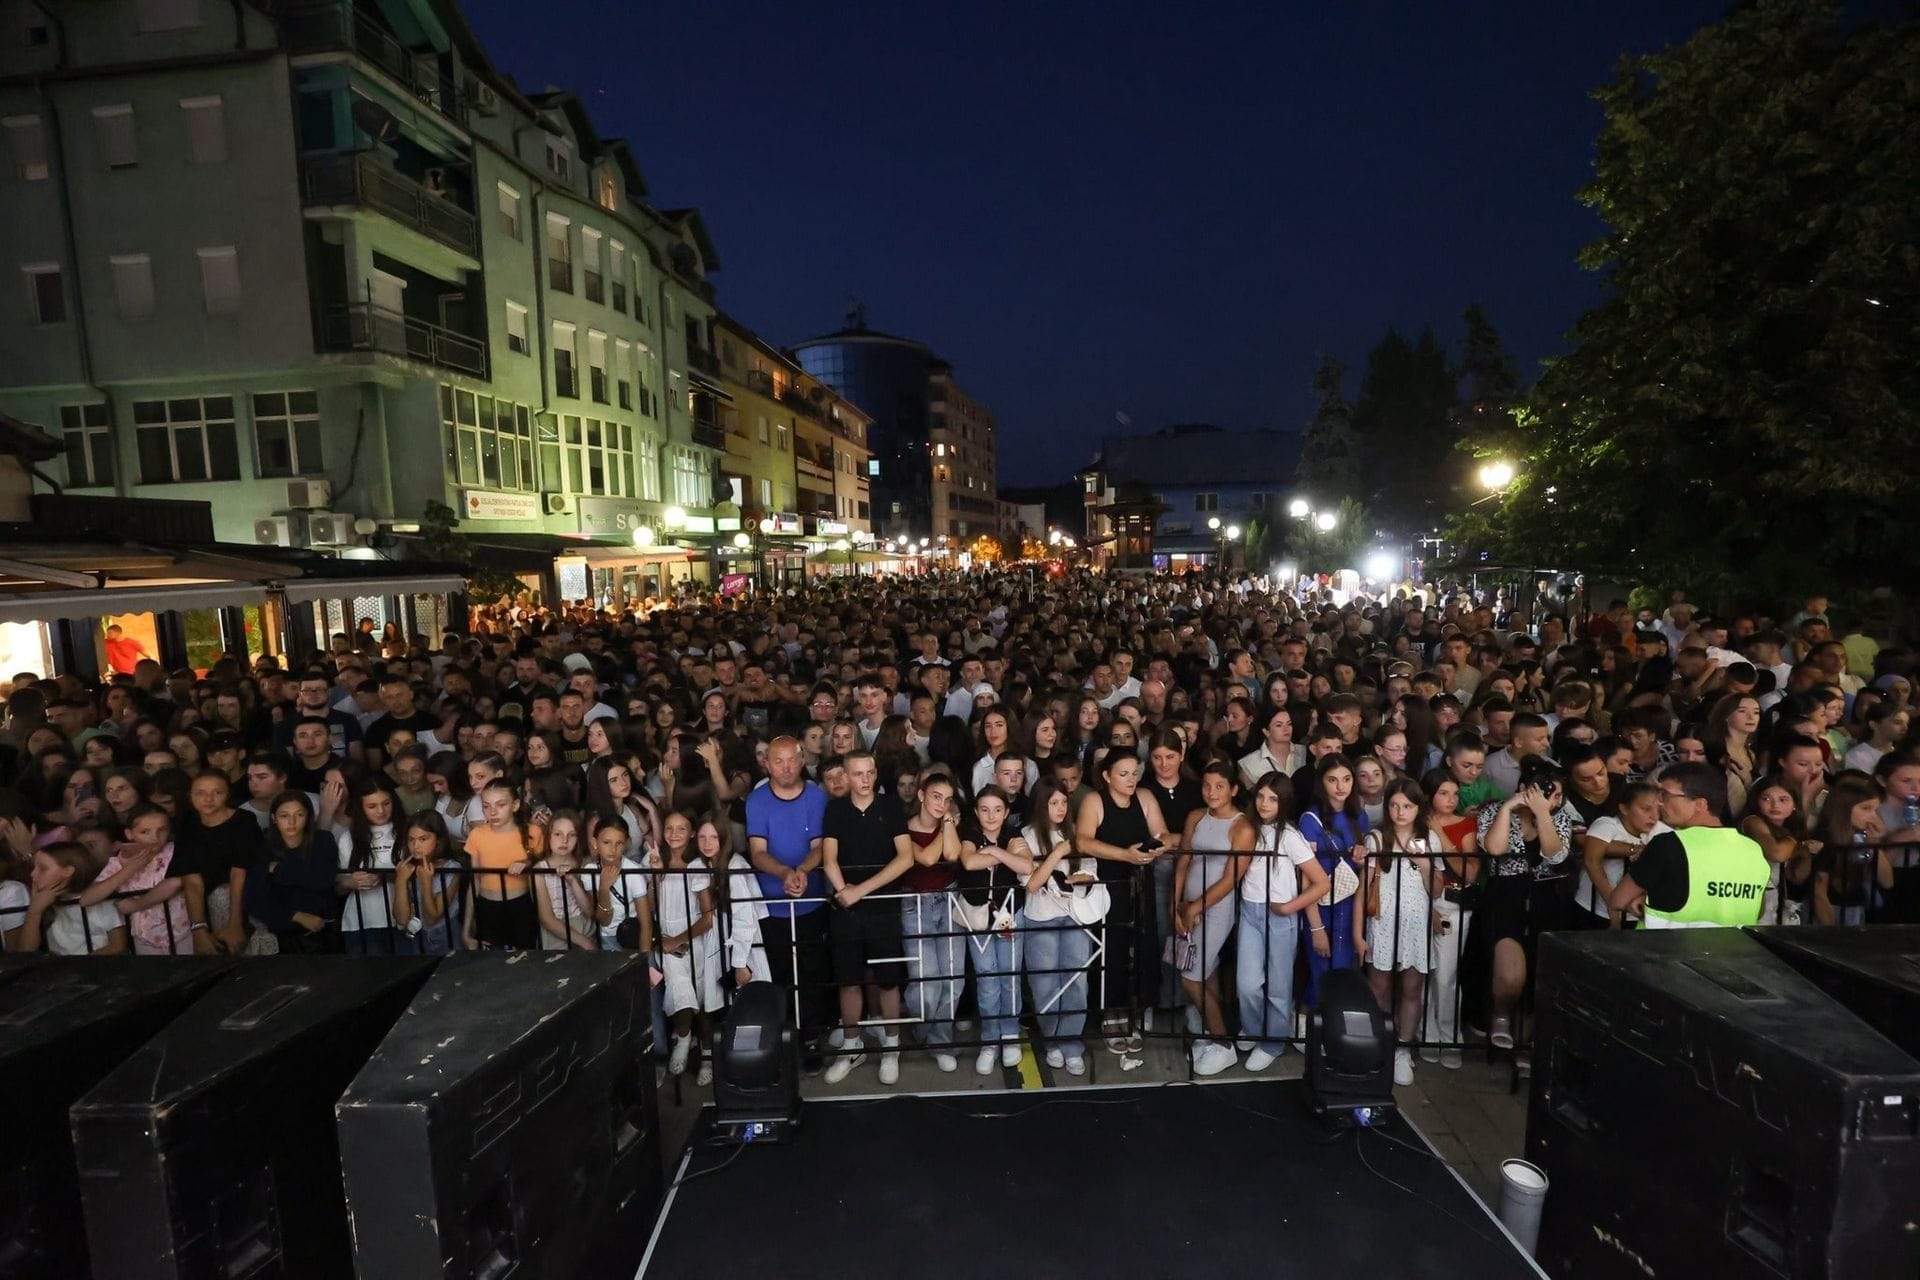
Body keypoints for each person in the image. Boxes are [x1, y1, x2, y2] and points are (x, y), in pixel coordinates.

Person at [819, 750, 913, 1086]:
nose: (865, 779)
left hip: (882, 908)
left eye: (870, 772)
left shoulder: (890, 807)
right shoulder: (835, 809)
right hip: (847, 909)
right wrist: (845, 890)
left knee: (888, 980)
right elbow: (829, 858)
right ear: (845, 776)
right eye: (858, 773)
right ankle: (852, 1045)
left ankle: (891, 1046)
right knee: (848, 980)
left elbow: (905, 858)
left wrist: (861, 890)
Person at [1075, 747, 1171, 1053]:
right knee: (1110, 950)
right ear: (1106, 776)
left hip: (1141, 884)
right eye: (1123, 773)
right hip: (1108, 887)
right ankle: (1110, 1013)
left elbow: (1164, 834)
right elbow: (1083, 840)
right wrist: (1124, 855)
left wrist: (1154, 848)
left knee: (1143, 945)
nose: (1131, 779)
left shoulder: (1144, 798)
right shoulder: (1094, 801)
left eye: (1134, 773)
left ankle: (1136, 1010)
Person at [1474, 755, 1574, 1049]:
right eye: (1544, 792)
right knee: (1510, 972)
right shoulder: (1493, 810)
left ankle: (1527, 1041)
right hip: (1506, 895)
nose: (1551, 799)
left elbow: (1555, 856)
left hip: (1547, 898)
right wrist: (1508, 808)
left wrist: (1543, 814)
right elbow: (1494, 848)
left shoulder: (1559, 817)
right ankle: (1500, 1014)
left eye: (1556, 795)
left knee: (1542, 974)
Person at [1234, 771, 1327, 1071]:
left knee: (1278, 983)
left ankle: (1273, 1041)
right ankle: (1253, 1027)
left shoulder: (1289, 836)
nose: (1264, 803)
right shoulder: (1247, 828)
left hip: (1280, 916)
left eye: (1272, 799)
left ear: (1283, 803)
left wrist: (1290, 908)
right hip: (1250, 910)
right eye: (1260, 796)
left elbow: (1321, 882)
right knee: (1247, 982)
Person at [745, 737, 831, 1057]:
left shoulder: (816, 796)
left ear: (802, 760)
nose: (785, 768)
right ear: (767, 763)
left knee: (813, 971)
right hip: (772, 903)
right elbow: (758, 852)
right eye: (777, 761)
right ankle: (783, 1040)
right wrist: (785, 873)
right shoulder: (756, 801)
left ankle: (811, 1038)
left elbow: (820, 846)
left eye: (791, 761)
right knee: (778, 975)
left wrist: (803, 871)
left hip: (811, 899)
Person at [1609, 761, 1772, 929]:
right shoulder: (1753, 849)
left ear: (1700, 804)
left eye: (1665, 795)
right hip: (1733, 952)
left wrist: (1645, 897)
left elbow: (1619, 900)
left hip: (1665, 951)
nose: (1658, 802)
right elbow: (1758, 910)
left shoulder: (1668, 844)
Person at [1175, 761, 1252, 1076]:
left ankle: (1223, 1045)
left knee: (1189, 976)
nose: (1212, 792)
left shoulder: (1242, 826)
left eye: (1220, 786)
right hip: (1188, 903)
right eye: (1207, 785)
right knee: (1204, 973)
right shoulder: (1195, 816)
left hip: (1217, 909)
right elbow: (1183, 861)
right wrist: (1177, 904)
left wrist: (1195, 907)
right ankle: (1211, 1032)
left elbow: (1230, 879)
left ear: (1233, 789)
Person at [1361, 778, 1439, 1087]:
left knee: (1411, 987)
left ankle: (1403, 1048)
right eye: (1394, 805)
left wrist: (1424, 866)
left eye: (1407, 806)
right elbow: (1366, 889)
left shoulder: (1429, 839)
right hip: (1382, 921)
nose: (1400, 811)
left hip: (1416, 922)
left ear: (1418, 808)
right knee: (1377, 985)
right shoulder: (1377, 839)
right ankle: (1380, 1042)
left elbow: (1435, 890)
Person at [1021, 777, 1096, 1076]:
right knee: (1045, 983)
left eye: (1064, 802)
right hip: (1041, 916)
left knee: (1077, 980)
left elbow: (1091, 869)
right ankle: (1052, 1041)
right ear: (1041, 805)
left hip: (1074, 914)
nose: (1061, 808)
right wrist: (1058, 853)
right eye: (1054, 803)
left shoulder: (1077, 833)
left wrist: (1080, 878)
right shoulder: (1026, 836)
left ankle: (1072, 1042)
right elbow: (1031, 883)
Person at [958, 784, 1033, 1074]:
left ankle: (1010, 1035)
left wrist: (996, 852)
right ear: (976, 812)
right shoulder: (970, 834)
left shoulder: (1013, 834)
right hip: (979, 917)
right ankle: (989, 1039)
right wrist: (1003, 856)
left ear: (1006, 812)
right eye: (985, 809)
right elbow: (969, 860)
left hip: (1010, 913)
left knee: (1010, 977)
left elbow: (1026, 866)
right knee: (987, 978)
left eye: (997, 809)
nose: (991, 815)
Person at [898, 768, 964, 1071]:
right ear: (922, 796)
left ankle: (940, 1038)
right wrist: (948, 823)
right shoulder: (904, 828)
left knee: (952, 979)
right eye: (936, 797)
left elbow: (951, 855)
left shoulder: (948, 824)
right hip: (915, 904)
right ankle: (922, 1031)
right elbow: (924, 858)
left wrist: (947, 824)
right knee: (926, 984)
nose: (942, 805)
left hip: (949, 900)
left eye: (948, 800)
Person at [654, 809, 722, 1082]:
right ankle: (683, 1039)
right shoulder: (656, 864)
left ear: (692, 833)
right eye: (669, 828)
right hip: (667, 944)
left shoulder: (697, 868)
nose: (673, 834)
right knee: (680, 992)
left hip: (695, 942)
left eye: (681, 829)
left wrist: (677, 939)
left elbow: (707, 918)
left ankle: (706, 1054)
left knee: (704, 1002)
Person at [1299, 755, 1368, 1010]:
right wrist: (1316, 927)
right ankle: (1322, 1026)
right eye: (1333, 780)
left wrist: (1361, 857)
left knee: (1342, 967)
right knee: (1321, 965)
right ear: (1322, 783)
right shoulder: (1310, 819)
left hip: (1349, 901)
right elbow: (1307, 876)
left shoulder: (1358, 815)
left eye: (1347, 779)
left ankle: (1333, 1024)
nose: (1341, 786)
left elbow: (1359, 866)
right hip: (1319, 903)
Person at [243, 791, 340, 953]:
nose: (292, 822)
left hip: (321, 932)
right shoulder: (264, 849)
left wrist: (279, 870)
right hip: (280, 935)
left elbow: (323, 881)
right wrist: (297, 915)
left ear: (308, 816)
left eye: (299, 814)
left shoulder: (323, 840)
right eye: (284, 816)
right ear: (274, 818)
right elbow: (254, 899)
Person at [1575, 781, 1666, 929]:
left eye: (1658, 810)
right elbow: (1592, 861)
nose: (1654, 816)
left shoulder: (1662, 832)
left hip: (1637, 914)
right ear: (1624, 808)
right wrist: (1613, 907)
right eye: (1646, 809)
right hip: (1594, 910)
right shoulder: (1606, 824)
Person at [464, 778, 542, 949]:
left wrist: (528, 863)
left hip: (522, 907)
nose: (493, 812)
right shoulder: (477, 835)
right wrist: (466, 930)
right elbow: (475, 882)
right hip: (487, 908)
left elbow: (544, 870)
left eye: (500, 805)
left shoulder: (533, 833)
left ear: (514, 805)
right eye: (486, 806)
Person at [391, 810, 466, 953]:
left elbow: (432, 918)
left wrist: (426, 883)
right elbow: (401, 919)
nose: (416, 846)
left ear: (438, 839)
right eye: (411, 839)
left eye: (423, 839)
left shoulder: (452, 868)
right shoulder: (407, 868)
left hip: (445, 937)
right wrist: (400, 880)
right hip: (417, 938)